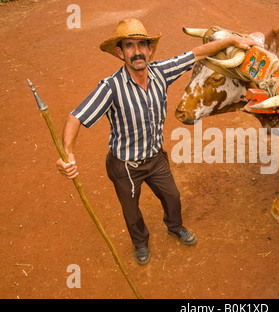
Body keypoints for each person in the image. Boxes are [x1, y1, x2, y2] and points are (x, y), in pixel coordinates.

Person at [56, 18, 258, 265]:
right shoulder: (110, 87)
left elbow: (196, 53)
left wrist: (234, 40)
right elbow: (76, 117)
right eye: (129, 46)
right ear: (120, 52)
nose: (137, 51)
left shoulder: (161, 72)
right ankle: (140, 243)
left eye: (142, 44)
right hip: (125, 166)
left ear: (150, 49)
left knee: (172, 197)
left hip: (155, 157)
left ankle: (175, 227)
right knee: (131, 212)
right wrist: (68, 152)